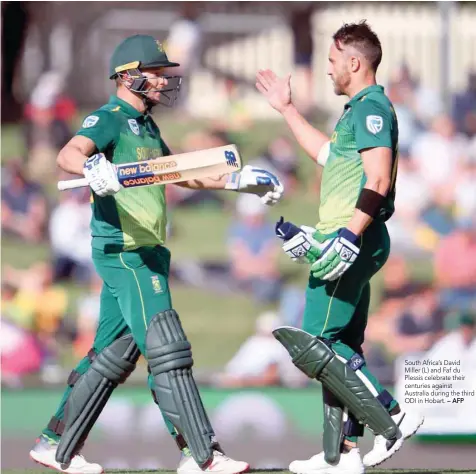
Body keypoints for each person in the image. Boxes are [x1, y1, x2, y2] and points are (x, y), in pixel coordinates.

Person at [29, 34, 284, 474]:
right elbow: (68, 153)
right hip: (125, 250)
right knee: (167, 346)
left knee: (114, 353)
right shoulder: (108, 118)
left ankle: (56, 445)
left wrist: (235, 181)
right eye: (157, 74)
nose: (165, 82)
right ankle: (202, 456)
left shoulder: (147, 126)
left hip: (145, 250)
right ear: (128, 77)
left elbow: (177, 174)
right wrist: (94, 167)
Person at [256, 21, 424, 474]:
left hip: (353, 238)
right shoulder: (355, 111)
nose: (327, 70)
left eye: (331, 61)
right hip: (348, 236)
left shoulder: (372, 108)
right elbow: (327, 155)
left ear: (354, 62)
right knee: (342, 345)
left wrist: (348, 236)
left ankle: (392, 415)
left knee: (317, 343)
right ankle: (341, 454)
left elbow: (379, 179)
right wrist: (287, 110)